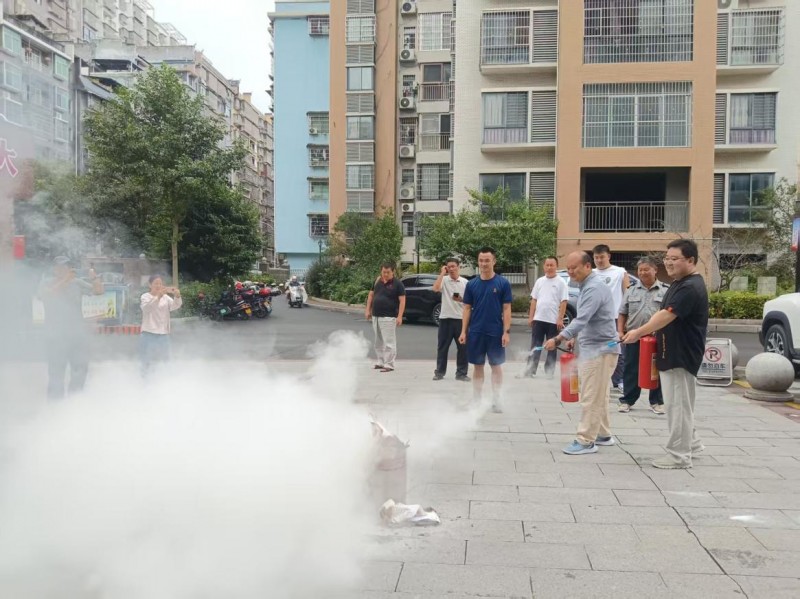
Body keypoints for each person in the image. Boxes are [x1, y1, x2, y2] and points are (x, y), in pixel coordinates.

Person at [623, 239, 708, 469]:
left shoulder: (690, 287)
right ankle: (692, 444)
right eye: (667, 258)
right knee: (681, 403)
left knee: (677, 406)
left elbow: (666, 315)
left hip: (680, 355)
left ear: (690, 260)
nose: (668, 263)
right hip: (672, 353)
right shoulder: (680, 283)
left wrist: (637, 332)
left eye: (674, 259)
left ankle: (679, 456)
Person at [544, 251, 619, 455]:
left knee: (591, 396)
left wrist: (558, 338)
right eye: (568, 268)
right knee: (600, 394)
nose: (570, 272)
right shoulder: (587, 285)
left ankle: (586, 440)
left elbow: (582, 319)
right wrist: (575, 338)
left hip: (600, 350)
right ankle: (603, 434)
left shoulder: (593, 288)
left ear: (587, 266)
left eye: (574, 268)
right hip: (598, 348)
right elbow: (590, 320)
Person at [38, 256, 104, 399]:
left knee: (80, 370)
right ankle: (55, 405)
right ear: (54, 269)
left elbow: (99, 291)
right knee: (56, 373)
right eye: (60, 267)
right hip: (55, 337)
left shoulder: (77, 282)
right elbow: (46, 295)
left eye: (66, 267)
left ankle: (75, 403)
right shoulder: (46, 282)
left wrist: (94, 277)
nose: (63, 270)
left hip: (77, 335)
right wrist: (65, 280)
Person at [458, 247, 512, 413]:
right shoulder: (472, 284)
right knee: (478, 366)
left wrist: (506, 332)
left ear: (494, 261)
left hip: (495, 332)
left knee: (496, 366)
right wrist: (463, 331)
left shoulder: (503, 283)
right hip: (476, 331)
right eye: (481, 260)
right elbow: (467, 308)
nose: (483, 264)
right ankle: (477, 400)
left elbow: (506, 308)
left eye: (487, 260)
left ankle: (497, 400)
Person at [618, 257, 669, 415]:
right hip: (634, 336)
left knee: (657, 368)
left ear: (655, 270)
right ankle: (627, 400)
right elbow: (622, 312)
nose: (643, 273)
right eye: (640, 270)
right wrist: (620, 331)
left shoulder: (665, 290)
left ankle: (657, 401)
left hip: (657, 337)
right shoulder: (631, 290)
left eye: (646, 269)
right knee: (631, 368)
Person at [522, 256, 568, 379]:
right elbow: (534, 300)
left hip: (553, 321)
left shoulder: (561, 282)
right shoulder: (539, 281)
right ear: (544, 266)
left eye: (552, 265)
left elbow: (564, 302)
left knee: (552, 347)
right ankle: (530, 371)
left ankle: (549, 372)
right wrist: (531, 317)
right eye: (547, 265)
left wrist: (560, 318)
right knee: (535, 345)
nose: (549, 267)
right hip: (539, 319)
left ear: (556, 266)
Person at [593, 245, 630, 394]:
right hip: (596, 320)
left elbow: (627, 294)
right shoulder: (591, 274)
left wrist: (627, 317)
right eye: (596, 257)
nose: (599, 260)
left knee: (617, 350)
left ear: (608, 256)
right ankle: (599, 380)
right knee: (597, 350)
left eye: (602, 257)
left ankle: (619, 380)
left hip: (614, 318)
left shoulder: (620, 272)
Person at [432, 258, 470, 382]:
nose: (451, 269)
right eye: (449, 267)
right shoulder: (444, 280)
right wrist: (442, 273)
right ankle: (439, 372)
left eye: (453, 266)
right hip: (445, 318)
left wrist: (461, 299)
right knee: (442, 347)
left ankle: (461, 373)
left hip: (460, 319)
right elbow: (435, 289)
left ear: (458, 267)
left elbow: (470, 301)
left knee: (463, 348)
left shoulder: (465, 282)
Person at [365, 262, 406, 373]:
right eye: (384, 272)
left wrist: (400, 316)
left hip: (389, 316)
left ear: (393, 272)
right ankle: (380, 361)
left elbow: (402, 300)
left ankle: (389, 364)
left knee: (389, 342)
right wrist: (368, 310)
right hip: (376, 315)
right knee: (378, 341)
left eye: (388, 272)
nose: (385, 274)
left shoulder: (398, 284)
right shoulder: (377, 280)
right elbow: (371, 295)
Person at [140, 275, 182, 376]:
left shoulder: (166, 298)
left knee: (166, 358)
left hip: (163, 333)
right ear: (150, 285)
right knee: (147, 359)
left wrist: (177, 296)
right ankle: (145, 380)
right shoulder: (145, 296)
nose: (158, 285)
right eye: (156, 283)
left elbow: (175, 306)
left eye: (160, 283)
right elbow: (147, 308)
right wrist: (158, 297)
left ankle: (166, 379)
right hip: (148, 333)